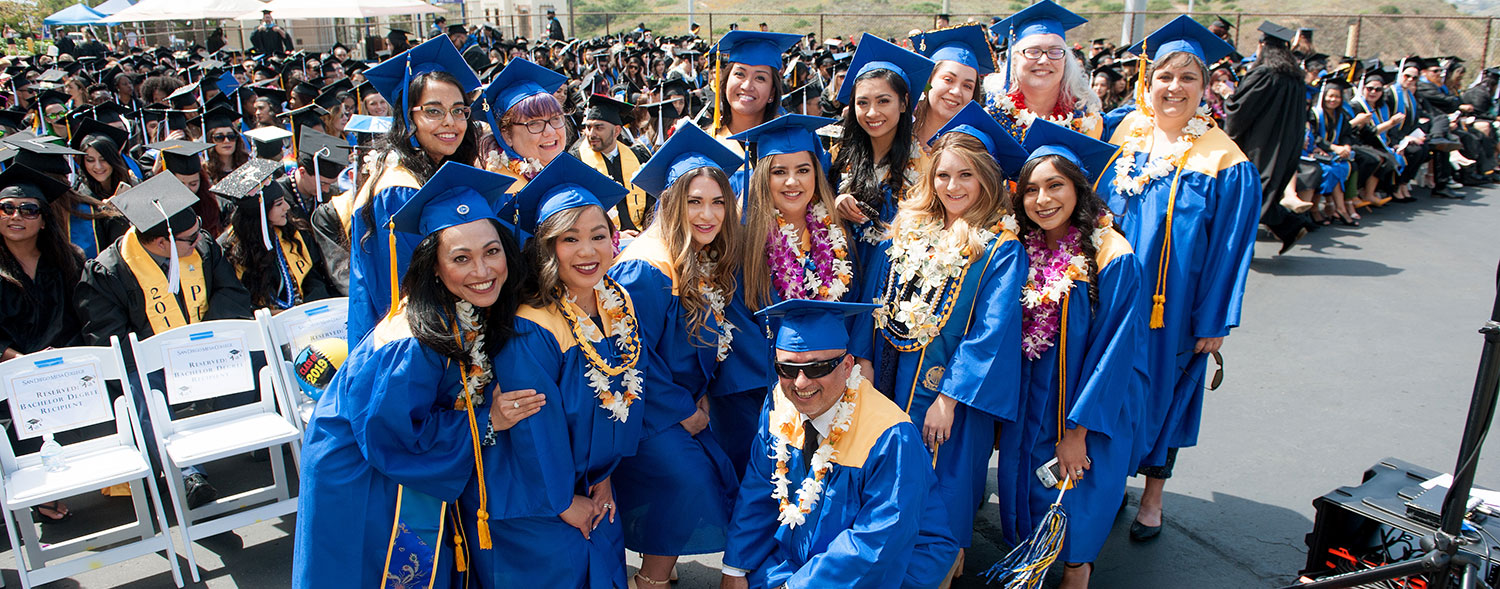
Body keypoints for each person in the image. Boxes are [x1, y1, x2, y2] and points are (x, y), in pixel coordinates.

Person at [292, 161, 525, 588]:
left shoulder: (464, 312)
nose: (482, 270)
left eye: (492, 251)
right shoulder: (412, 344)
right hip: (362, 469)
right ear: (434, 267)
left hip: (386, 451)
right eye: (461, 258)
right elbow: (397, 436)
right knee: (373, 572)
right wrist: (489, 420)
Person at [1094, 16, 1260, 544]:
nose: (1174, 87)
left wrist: (1213, 320)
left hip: (1175, 306)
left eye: (1188, 78)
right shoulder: (1126, 134)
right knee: (1111, 388)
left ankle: (1153, 496)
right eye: (1165, 75)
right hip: (1113, 297)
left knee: (1170, 394)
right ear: (1149, 80)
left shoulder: (1224, 160)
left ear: (1206, 87)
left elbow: (1232, 250)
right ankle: (1111, 476)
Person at [859, 100, 1029, 581]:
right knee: (889, 477)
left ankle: (942, 571)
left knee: (946, 485)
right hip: (891, 375)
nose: (952, 187)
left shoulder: (1000, 246)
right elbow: (876, 296)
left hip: (944, 388)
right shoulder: (912, 226)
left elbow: (989, 333)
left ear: (987, 182)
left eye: (966, 176)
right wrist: (864, 360)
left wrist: (950, 400)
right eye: (943, 175)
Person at [462, 155, 638, 588]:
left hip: (590, 480)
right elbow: (534, 428)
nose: (587, 251)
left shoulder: (616, 303)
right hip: (534, 494)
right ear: (547, 247)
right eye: (569, 239)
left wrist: (605, 477)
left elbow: (625, 397)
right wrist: (563, 502)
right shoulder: (531, 324)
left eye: (599, 236)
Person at [720, 299, 958, 589]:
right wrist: (734, 568)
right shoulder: (779, 407)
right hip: (799, 553)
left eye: (818, 367)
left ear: (847, 367)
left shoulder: (889, 434)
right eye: (787, 368)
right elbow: (757, 491)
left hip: (891, 562)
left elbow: (877, 539)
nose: (801, 383)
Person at [608, 124, 744, 589]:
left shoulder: (695, 256)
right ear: (669, 204)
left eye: (718, 202)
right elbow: (631, 355)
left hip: (674, 406)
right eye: (694, 202)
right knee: (688, 480)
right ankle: (651, 579)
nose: (708, 214)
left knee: (701, 479)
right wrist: (683, 409)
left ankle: (654, 577)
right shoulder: (646, 267)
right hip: (645, 410)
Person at [1008, 120, 1143, 589]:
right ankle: (1034, 562)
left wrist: (1077, 431)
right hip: (1034, 394)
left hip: (1085, 402)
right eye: (1031, 190)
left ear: (1079, 188)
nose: (1042, 199)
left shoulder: (1112, 255)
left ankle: (1077, 571)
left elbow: (1115, 352)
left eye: (1055, 186)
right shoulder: (1026, 246)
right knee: (1033, 485)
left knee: (1077, 490)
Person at [75, 173, 255, 509]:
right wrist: (165, 354)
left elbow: (231, 292)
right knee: (141, 389)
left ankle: (263, 440)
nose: (200, 238)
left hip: (205, 347)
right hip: (150, 363)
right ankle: (188, 474)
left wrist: (203, 340)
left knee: (257, 356)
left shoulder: (201, 249)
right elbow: (107, 336)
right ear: (162, 243)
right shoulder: (108, 271)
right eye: (190, 237)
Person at [714, 114, 858, 478]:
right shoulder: (742, 239)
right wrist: (789, 377)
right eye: (779, 171)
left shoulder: (836, 235)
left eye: (803, 170)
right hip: (757, 391)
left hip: (828, 384)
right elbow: (736, 322)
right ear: (763, 176)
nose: (792, 182)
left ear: (817, 173)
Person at [347, 36, 483, 345]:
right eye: (433, 111)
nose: (451, 122)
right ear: (408, 117)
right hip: (410, 346)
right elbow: (405, 294)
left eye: (459, 110)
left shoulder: (430, 171)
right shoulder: (398, 191)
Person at [0, 164, 87, 521]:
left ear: (43, 219)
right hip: (9, 374)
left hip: (66, 369)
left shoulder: (69, 261)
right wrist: (21, 361)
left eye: (27, 209)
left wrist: (64, 358)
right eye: (6, 208)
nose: (15, 215)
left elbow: (86, 315)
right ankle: (37, 490)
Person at [829, 34, 934, 271]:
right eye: (862, 103)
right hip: (843, 276)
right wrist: (835, 201)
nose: (872, 112)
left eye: (883, 101)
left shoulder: (925, 166)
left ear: (904, 103)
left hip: (893, 278)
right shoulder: (838, 156)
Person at [1225, 21, 1316, 253]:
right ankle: (1288, 228)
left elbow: (1240, 110)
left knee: (1251, 195)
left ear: (1262, 45)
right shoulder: (1295, 77)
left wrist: (1228, 97)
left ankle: (1254, 244)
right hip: (1286, 145)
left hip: (1260, 145)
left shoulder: (1264, 74)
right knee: (1261, 194)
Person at [213, 159, 333, 311]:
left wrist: (313, 308)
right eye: (279, 204)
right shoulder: (229, 249)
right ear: (259, 211)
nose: (287, 207)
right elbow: (233, 299)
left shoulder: (294, 231)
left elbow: (313, 278)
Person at [985, 0, 1102, 140]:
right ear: (1014, 60)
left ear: (1066, 60)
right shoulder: (992, 118)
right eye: (1033, 51)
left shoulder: (1087, 120)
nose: (1044, 60)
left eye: (1055, 51)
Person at [703, 30, 803, 187]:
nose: (747, 85)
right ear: (725, 83)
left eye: (760, 78)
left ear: (772, 92)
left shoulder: (795, 142)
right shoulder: (705, 144)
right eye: (739, 74)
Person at [568, 93, 656, 234]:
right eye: (588, 127)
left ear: (616, 131)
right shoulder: (577, 161)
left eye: (599, 128)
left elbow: (651, 201)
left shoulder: (638, 156)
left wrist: (647, 233)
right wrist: (615, 236)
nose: (591, 134)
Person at [476, 57, 570, 188]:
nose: (550, 131)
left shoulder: (571, 174)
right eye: (534, 123)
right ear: (507, 135)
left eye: (555, 119)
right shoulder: (502, 193)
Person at [910, 24, 994, 145]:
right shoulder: (896, 133)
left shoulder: (974, 150)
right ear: (929, 80)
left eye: (967, 86)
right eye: (948, 79)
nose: (956, 91)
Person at [279, 129, 351, 219]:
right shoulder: (280, 195)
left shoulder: (332, 194)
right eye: (322, 183)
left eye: (330, 184)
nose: (326, 190)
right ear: (302, 172)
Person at [203, 106, 250, 184]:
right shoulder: (206, 172)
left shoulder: (247, 167)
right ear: (210, 141)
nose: (226, 141)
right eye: (219, 137)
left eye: (231, 136)